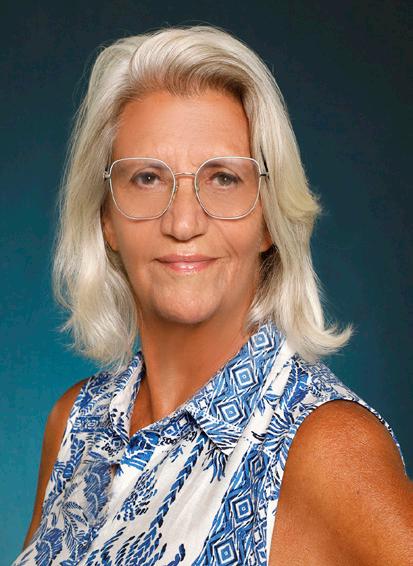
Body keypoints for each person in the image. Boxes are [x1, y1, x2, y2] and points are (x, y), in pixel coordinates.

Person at [14, 25, 412, 565]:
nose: (183, 223)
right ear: (106, 217)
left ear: (268, 217)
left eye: (223, 178)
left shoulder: (327, 445)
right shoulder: (76, 422)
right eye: (147, 178)